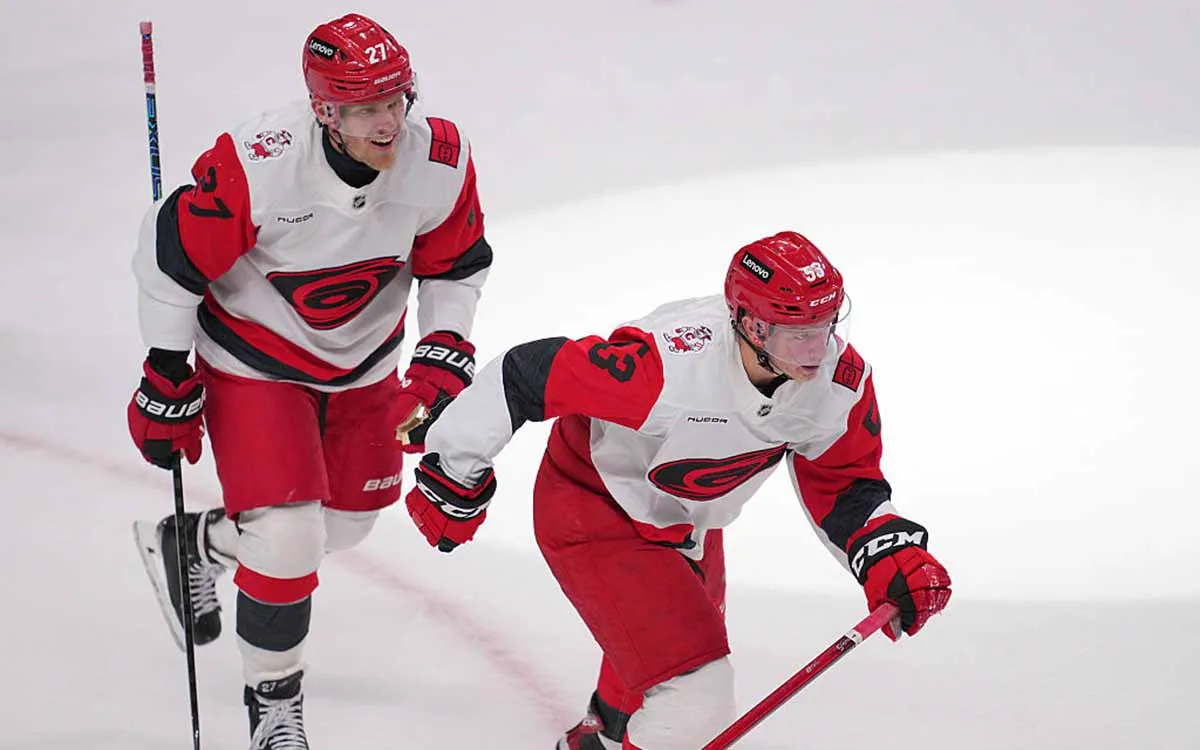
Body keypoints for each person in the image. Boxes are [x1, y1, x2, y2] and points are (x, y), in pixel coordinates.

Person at [403, 231, 953, 749]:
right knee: (694, 696)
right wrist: (454, 468)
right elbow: (527, 374)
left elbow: (845, 483)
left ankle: (600, 738)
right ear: (752, 326)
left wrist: (891, 554)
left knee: (667, 661)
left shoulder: (837, 383)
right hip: (595, 508)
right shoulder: (668, 366)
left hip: (688, 521)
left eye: (826, 325)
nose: (817, 348)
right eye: (798, 332)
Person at [127, 12, 490, 747]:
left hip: (365, 363)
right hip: (253, 360)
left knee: (346, 526)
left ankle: (200, 543)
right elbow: (171, 262)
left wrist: (443, 345)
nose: (389, 123)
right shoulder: (258, 162)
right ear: (325, 110)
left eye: (397, 100)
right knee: (289, 536)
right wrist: (165, 372)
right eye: (366, 107)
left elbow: (456, 263)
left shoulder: (440, 159)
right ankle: (273, 706)